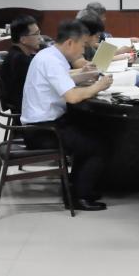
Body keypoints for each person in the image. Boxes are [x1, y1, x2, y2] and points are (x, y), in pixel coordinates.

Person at [22, 19, 114, 211]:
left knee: (93, 131)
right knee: (96, 145)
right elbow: (72, 97)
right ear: (70, 42)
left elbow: (63, 79)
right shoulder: (52, 61)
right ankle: (80, 197)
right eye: (82, 45)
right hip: (42, 130)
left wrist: (85, 75)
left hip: (44, 123)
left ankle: (77, 187)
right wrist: (99, 86)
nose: (83, 51)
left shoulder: (50, 55)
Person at [1, 15, 43, 114]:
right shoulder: (20, 61)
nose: (40, 38)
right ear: (23, 40)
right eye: (36, 34)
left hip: (26, 106)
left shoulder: (16, 54)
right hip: (28, 111)